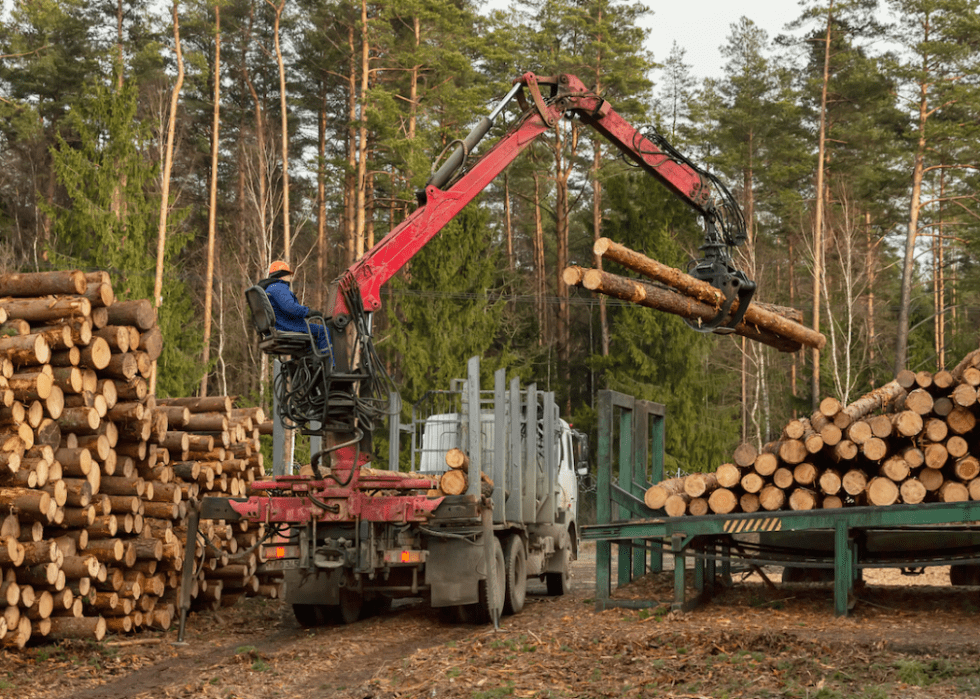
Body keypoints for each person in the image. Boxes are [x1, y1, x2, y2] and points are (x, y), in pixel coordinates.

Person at [258, 260, 331, 354]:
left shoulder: (269, 289)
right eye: (288, 275)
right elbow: (290, 307)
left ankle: (308, 362)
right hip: (287, 326)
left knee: (311, 339)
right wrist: (308, 312)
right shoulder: (279, 287)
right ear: (282, 275)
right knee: (323, 331)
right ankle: (329, 365)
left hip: (280, 325)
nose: (290, 278)